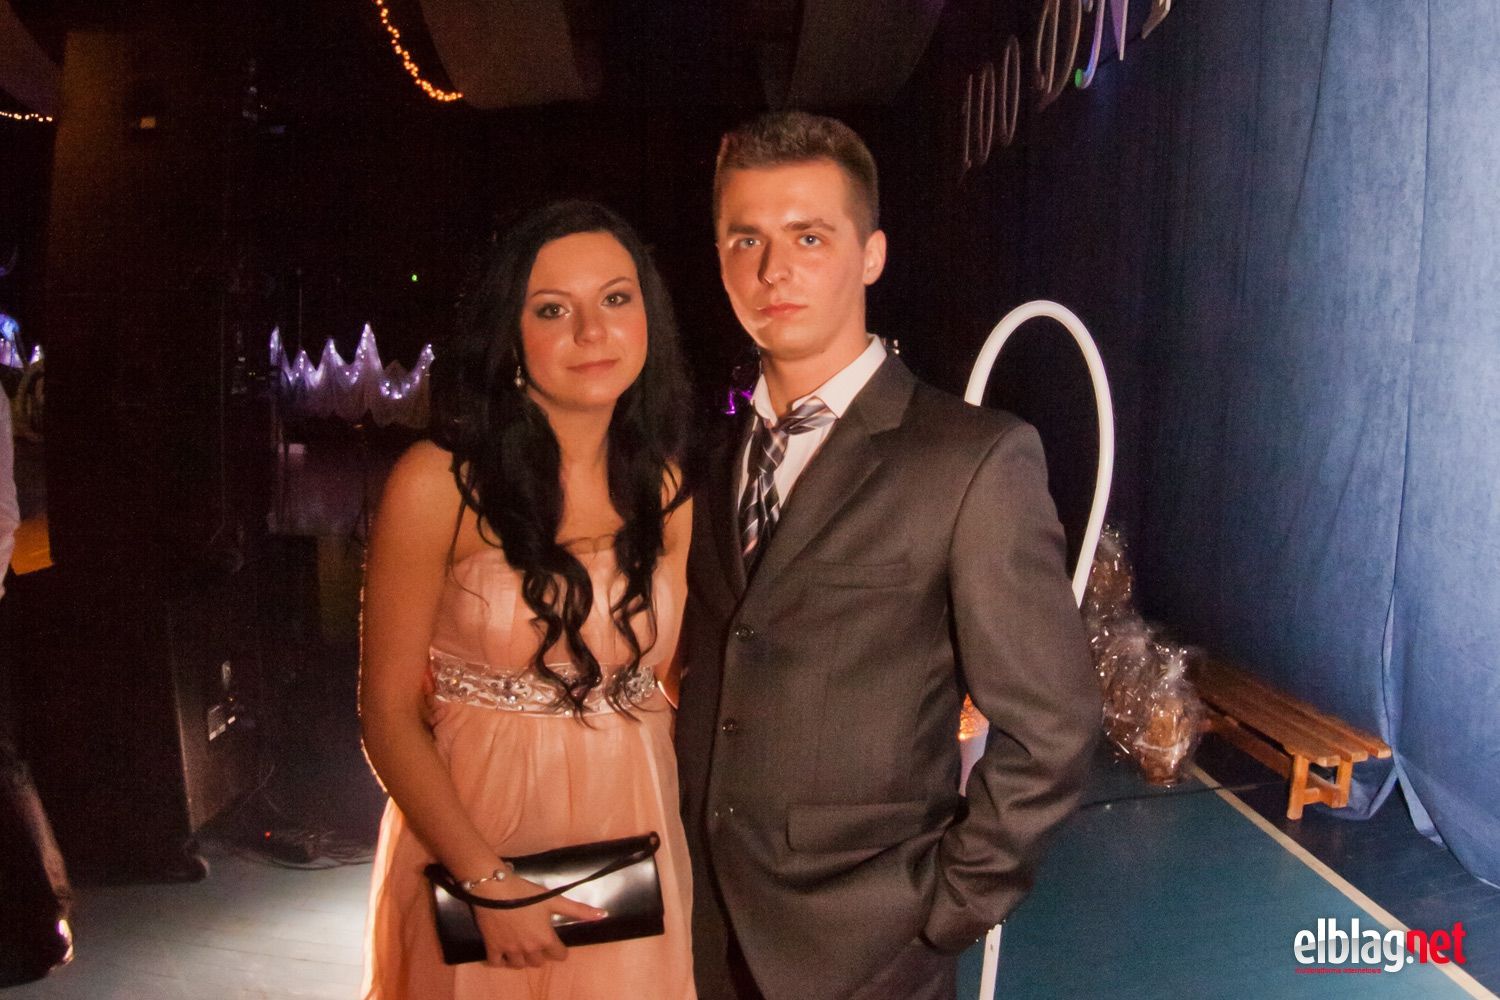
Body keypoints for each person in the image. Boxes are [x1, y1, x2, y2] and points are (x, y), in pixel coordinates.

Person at [675, 112, 1100, 1000]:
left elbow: (1053, 730)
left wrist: (942, 914)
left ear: (870, 255)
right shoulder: (710, 462)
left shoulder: (972, 460)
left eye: (809, 236)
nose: (773, 268)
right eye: (746, 239)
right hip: (703, 935)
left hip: (869, 954)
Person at [360, 200, 696, 999]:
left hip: (633, 839)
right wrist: (486, 881)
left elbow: (675, 681)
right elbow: (386, 714)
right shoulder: (437, 485)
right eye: (553, 310)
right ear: (509, 337)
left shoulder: (665, 488)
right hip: (477, 839)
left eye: (616, 299)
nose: (593, 331)